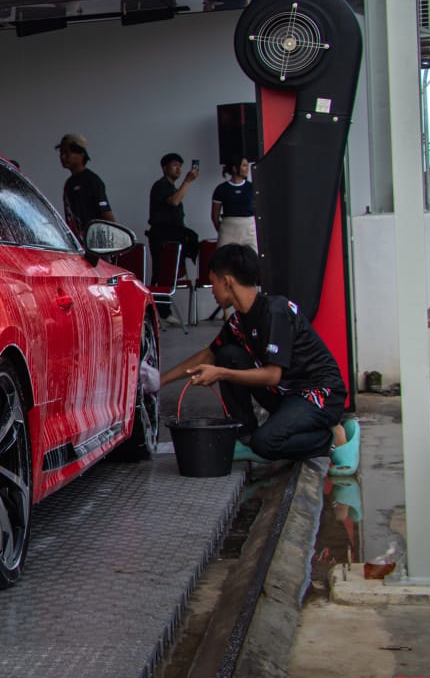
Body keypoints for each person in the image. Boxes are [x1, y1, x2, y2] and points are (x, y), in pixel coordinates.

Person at [161, 244, 359, 474]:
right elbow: (209, 355)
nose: (212, 290)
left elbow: (272, 376)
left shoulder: (276, 311)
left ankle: (333, 437)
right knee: (227, 355)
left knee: (266, 443)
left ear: (227, 282)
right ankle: (244, 435)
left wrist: (221, 373)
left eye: (213, 282)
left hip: (317, 394)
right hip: (287, 394)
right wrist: (159, 381)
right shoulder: (238, 321)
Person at [147, 152, 199, 325]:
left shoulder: (172, 187)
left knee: (169, 273)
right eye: (175, 165)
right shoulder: (160, 186)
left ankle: (163, 310)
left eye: (180, 166)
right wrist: (187, 181)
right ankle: (160, 311)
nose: (179, 168)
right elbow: (174, 201)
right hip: (162, 236)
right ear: (165, 167)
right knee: (161, 273)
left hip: (173, 236)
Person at [210, 157, 257, 321]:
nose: (247, 168)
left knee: (253, 263)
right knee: (224, 266)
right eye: (244, 165)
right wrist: (222, 230)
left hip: (248, 227)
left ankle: (251, 305)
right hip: (229, 227)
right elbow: (215, 216)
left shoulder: (252, 187)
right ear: (235, 168)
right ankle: (226, 310)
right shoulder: (221, 189)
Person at [57, 133, 114, 239]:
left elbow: (107, 216)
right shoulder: (69, 184)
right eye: (61, 153)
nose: (63, 157)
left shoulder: (92, 181)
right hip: (78, 243)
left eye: (67, 153)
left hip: (94, 242)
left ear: (81, 154)